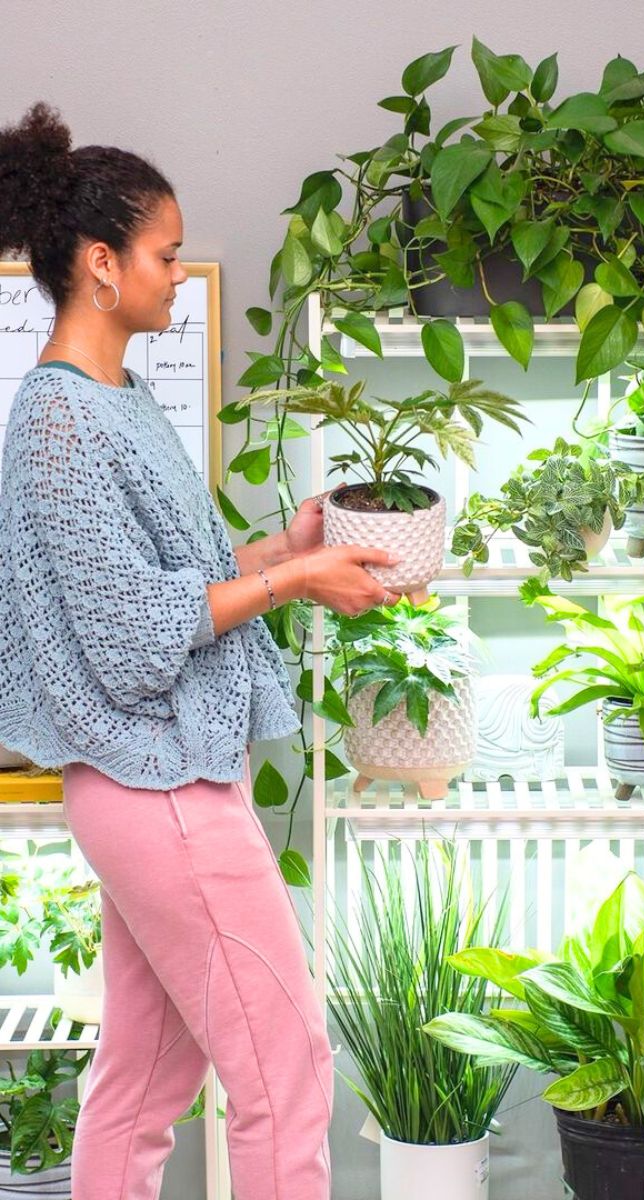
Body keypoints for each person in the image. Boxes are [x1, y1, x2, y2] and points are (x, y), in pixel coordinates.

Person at [0, 101, 402, 1200]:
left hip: (153, 782)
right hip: (159, 783)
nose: (177, 276)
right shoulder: (59, 425)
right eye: (164, 255)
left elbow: (175, 576)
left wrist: (284, 545)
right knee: (287, 1070)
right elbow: (135, 637)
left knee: (143, 1080)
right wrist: (293, 582)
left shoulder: (116, 402)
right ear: (99, 264)